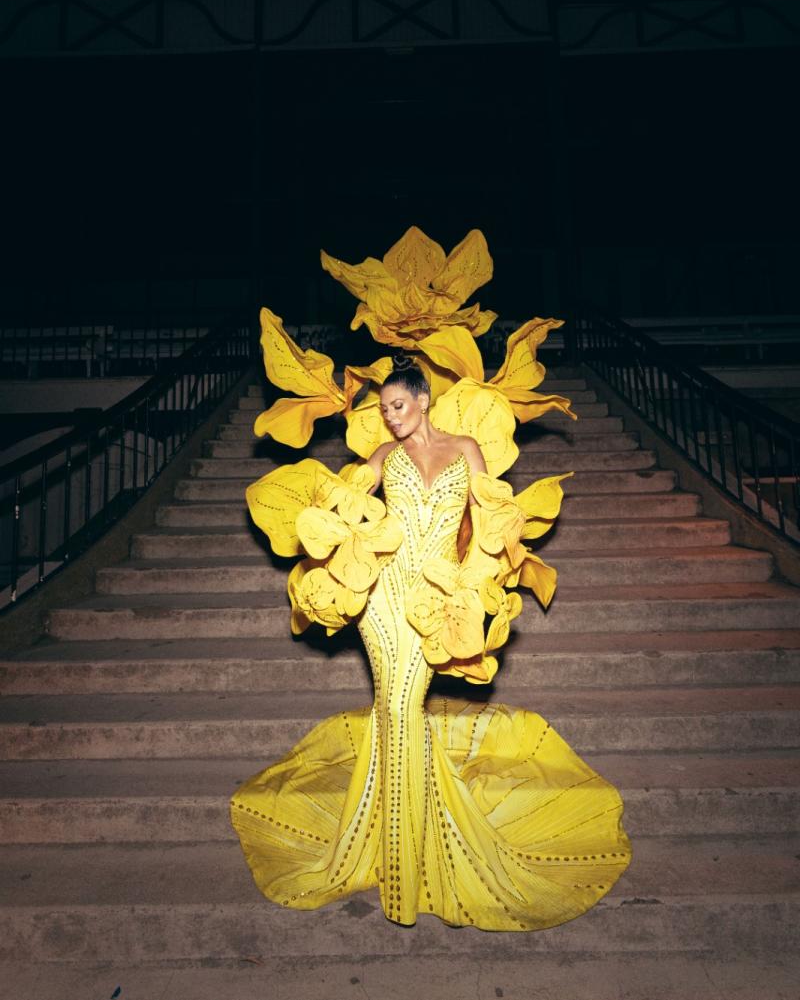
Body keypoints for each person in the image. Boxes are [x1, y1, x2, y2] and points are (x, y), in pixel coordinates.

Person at [231, 352, 632, 931]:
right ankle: (397, 851)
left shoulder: (466, 450)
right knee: (392, 707)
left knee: (402, 706)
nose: (390, 417)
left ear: (422, 401)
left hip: (434, 594)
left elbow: (486, 524)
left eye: (398, 406)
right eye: (384, 409)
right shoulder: (380, 457)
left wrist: (474, 586)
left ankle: (411, 846)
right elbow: (345, 509)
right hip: (383, 595)